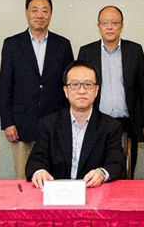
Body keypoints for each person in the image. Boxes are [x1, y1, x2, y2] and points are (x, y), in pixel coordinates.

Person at [0, 0, 74, 179]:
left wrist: (68, 121)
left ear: (51, 14)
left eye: (45, 11)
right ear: (26, 13)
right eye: (35, 10)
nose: (40, 15)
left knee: (55, 177)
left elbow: (69, 86)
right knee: (24, 177)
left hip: (55, 123)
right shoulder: (12, 44)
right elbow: (5, 86)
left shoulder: (63, 45)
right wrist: (8, 122)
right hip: (21, 124)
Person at [78, 5, 144, 178]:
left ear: (122, 26)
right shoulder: (86, 52)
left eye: (114, 23)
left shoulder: (134, 50)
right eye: (105, 23)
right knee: (97, 171)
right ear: (99, 26)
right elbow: (81, 89)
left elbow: (142, 86)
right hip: (97, 121)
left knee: (127, 170)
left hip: (128, 121)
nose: (109, 27)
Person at [25, 60, 124, 188]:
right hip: (57, 194)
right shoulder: (48, 124)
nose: (82, 91)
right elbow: (36, 160)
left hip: (93, 192)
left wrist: (101, 173)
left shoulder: (111, 126)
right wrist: (39, 172)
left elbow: (117, 164)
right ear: (66, 91)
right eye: (75, 85)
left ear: (96, 90)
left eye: (88, 84)